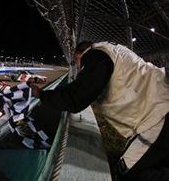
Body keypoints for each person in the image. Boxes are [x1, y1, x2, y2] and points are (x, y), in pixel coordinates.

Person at [31, 41, 169, 181]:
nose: (79, 68)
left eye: (78, 63)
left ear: (81, 54)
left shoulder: (97, 54)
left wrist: (42, 95)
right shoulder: (112, 51)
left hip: (159, 114)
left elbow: (77, 97)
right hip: (159, 105)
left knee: (128, 174)